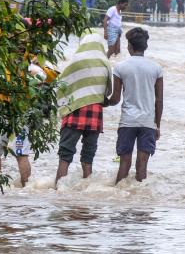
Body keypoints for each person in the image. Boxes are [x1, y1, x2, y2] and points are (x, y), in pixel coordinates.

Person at [104, 27, 164, 184]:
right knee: (142, 165)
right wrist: (157, 125)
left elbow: (116, 98)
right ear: (145, 46)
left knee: (124, 162)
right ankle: (141, 203)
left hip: (127, 122)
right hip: (148, 122)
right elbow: (159, 100)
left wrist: (103, 102)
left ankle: (118, 199)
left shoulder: (120, 67)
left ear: (129, 46)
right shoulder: (156, 68)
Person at [54, 31, 113, 188]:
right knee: (88, 157)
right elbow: (108, 91)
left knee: (65, 156)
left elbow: (61, 84)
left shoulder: (75, 61)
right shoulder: (105, 62)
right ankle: (88, 192)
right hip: (95, 116)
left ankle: (58, 190)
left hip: (74, 113)